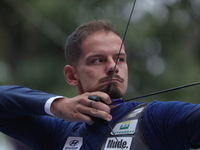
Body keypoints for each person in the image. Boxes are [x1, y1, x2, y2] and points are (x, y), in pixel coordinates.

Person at [0, 20, 200, 150]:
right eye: (98, 60)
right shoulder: (59, 132)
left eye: (120, 59)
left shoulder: (156, 118)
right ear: (72, 75)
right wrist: (58, 105)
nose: (113, 67)